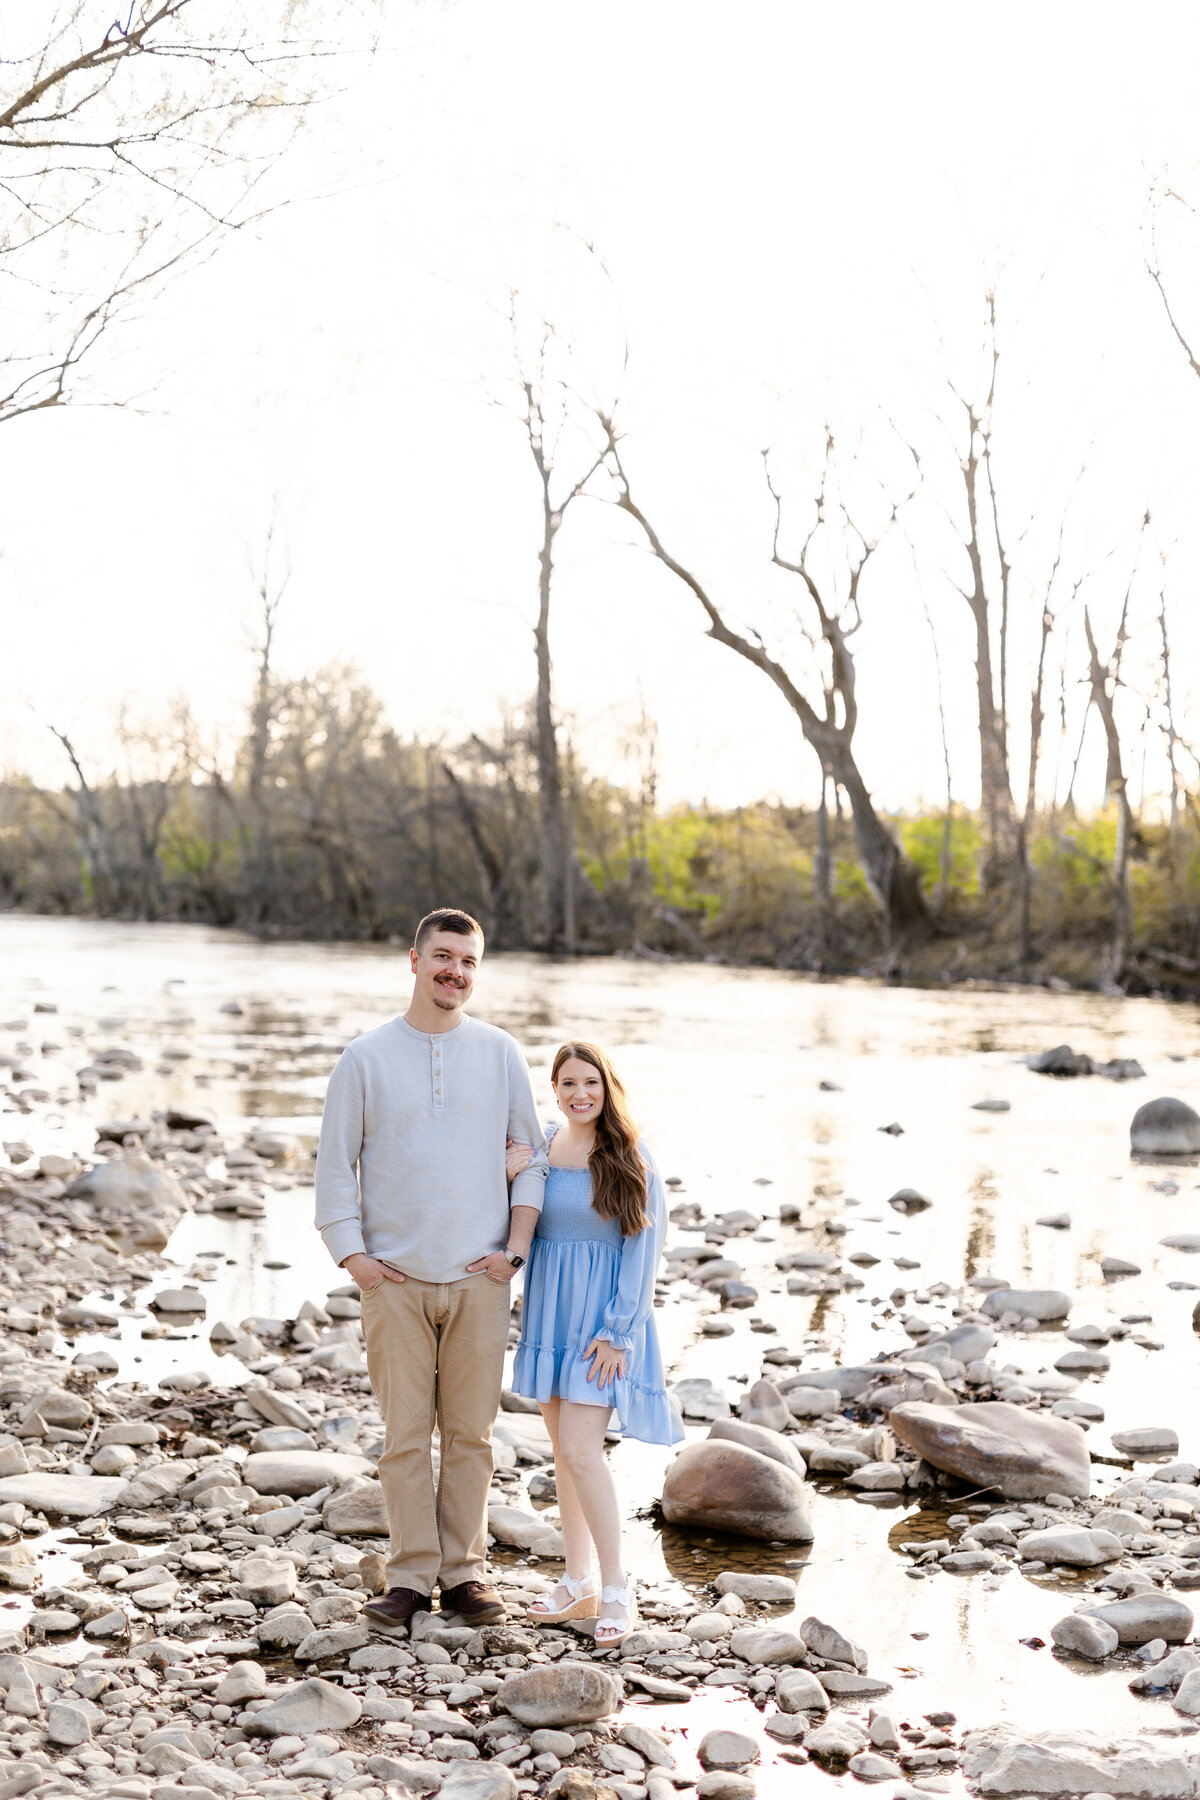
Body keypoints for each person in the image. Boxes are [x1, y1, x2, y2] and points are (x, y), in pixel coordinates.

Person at [314, 907, 547, 1629]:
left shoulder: (501, 1052)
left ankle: (466, 1576)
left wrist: (512, 1252)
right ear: (414, 961)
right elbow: (333, 1166)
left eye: (469, 961)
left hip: (480, 1279)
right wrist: (354, 1256)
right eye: (443, 956)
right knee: (407, 1437)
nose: (456, 971)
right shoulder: (365, 1057)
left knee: (473, 1435)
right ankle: (411, 1576)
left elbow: (534, 1162)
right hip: (397, 1281)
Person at [507, 1041, 683, 1648]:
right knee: (564, 1455)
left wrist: (619, 1333)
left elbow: (643, 1252)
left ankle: (616, 1586)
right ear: (553, 1090)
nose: (580, 1094)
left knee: (583, 1452)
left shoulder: (629, 1155)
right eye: (568, 1084)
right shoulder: (545, 1149)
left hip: (601, 1328)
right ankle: (576, 1578)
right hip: (550, 1320)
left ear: (608, 1089)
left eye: (591, 1083)